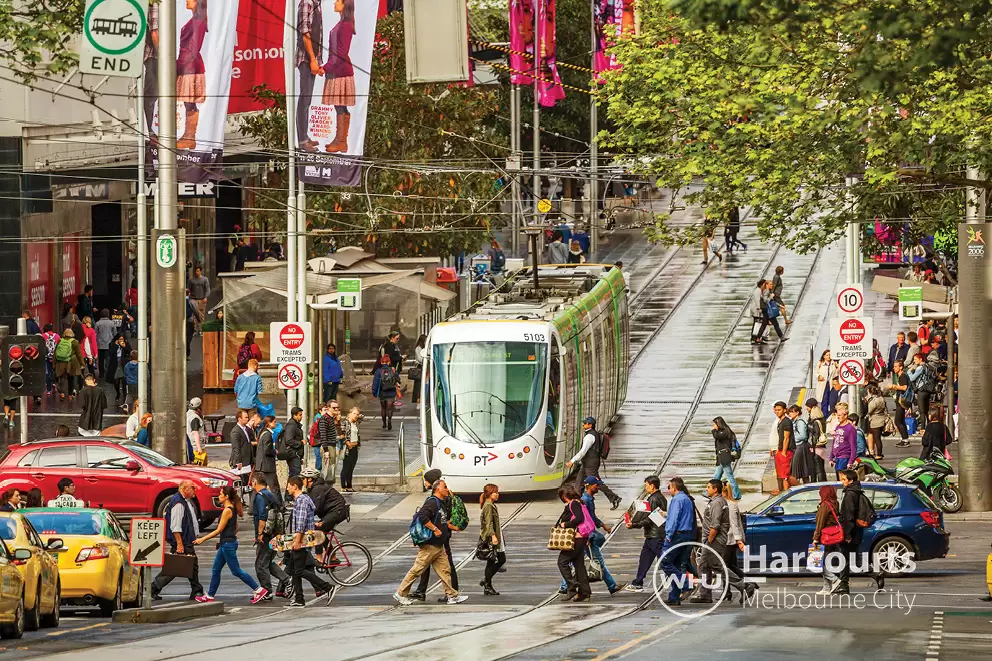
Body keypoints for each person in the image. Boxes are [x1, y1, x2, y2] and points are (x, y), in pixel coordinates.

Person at [394, 479, 467, 606]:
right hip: (430, 545)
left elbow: (442, 520)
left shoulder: (441, 502)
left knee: (445, 571)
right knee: (417, 569)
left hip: (439, 545)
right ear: (438, 489)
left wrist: (451, 527)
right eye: (444, 487)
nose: (446, 489)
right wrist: (435, 529)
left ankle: (451, 595)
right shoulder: (432, 502)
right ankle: (400, 593)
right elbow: (423, 516)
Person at [194, 485, 268, 604]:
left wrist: (202, 539)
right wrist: (225, 540)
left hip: (228, 545)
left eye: (220, 494)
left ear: (226, 496)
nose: (219, 496)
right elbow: (235, 528)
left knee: (236, 571)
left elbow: (218, 530)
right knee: (216, 569)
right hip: (227, 543)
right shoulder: (232, 509)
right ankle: (210, 595)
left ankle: (259, 589)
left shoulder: (227, 510)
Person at [559, 477, 624, 596]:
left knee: (577, 562)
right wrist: (589, 536)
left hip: (586, 536)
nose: (598, 487)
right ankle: (612, 586)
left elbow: (591, 518)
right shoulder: (584, 500)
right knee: (597, 561)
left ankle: (565, 586)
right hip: (587, 537)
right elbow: (584, 521)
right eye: (596, 485)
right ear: (589, 486)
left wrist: (602, 525)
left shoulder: (587, 499)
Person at [286, 472, 337, 605]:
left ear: (295, 486)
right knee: (293, 570)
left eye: (289, 486)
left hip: (301, 541)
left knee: (299, 570)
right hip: (299, 540)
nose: (287, 489)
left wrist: (297, 542)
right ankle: (299, 598)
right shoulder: (301, 500)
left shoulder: (302, 501)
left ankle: (328, 587)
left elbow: (301, 523)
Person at [409, 470, 460, 602]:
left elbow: (428, 516)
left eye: (426, 480)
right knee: (430, 563)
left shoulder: (440, 498)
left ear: (433, 483)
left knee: (446, 564)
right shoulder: (440, 496)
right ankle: (422, 590)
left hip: (439, 535)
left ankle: (452, 590)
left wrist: (436, 529)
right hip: (441, 534)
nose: (424, 482)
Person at [151, 481, 204, 600]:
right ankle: (197, 590)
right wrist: (180, 544)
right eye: (192, 488)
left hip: (186, 540)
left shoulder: (184, 501)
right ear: (184, 488)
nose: (195, 490)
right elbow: (175, 526)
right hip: (183, 541)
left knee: (181, 566)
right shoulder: (178, 503)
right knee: (189, 565)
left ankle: (154, 588)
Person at [690, 479, 737, 603]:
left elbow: (715, 525)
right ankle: (705, 594)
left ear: (715, 489)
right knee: (704, 566)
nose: (707, 489)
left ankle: (744, 585)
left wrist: (709, 541)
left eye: (709, 487)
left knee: (717, 566)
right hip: (713, 539)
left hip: (714, 540)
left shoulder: (717, 503)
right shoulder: (717, 501)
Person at [837, 470, 884, 593]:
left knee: (846, 559)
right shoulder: (857, 491)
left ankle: (844, 585)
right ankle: (873, 574)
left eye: (844, 479)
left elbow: (849, 516)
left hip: (851, 532)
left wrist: (847, 534)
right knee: (852, 558)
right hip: (856, 531)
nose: (842, 482)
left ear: (850, 480)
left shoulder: (849, 494)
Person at [319, 0, 357, 153]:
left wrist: (326, 67)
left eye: (338, 1)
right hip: (336, 70)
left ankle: (341, 141)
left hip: (340, 71)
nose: (335, 3)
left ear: (345, 5)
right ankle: (339, 139)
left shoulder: (346, 25)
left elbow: (341, 52)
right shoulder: (342, 23)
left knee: (340, 106)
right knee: (338, 106)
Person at [624, 475, 669, 593]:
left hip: (655, 535)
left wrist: (634, 524)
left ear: (652, 486)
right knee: (645, 559)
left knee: (665, 561)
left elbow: (651, 518)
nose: (645, 487)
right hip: (653, 535)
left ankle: (683, 581)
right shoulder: (661, 498)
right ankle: (638, 582)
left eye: (647, 485)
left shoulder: (653, 499)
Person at [566, 417, 622, 510]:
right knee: (579, 483)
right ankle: (576, 503)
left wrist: (572, 461)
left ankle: (614, 498)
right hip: (587, 463)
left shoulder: (590, 436)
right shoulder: (592, 434)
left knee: (596, 483)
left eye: (585, 423)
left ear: (590, 425)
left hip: (590, 463)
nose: (583, 425)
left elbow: (583, 451)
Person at [249, 474, 289, 600]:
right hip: (274, 533)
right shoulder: (271, 494)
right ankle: (286, 579)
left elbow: (262, 516)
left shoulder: (260, 497)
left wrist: (260, 534)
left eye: (252, 482)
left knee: (260, 564)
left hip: (266, 536)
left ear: (255, 482)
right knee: (267, 562)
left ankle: (266, 591)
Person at [175, 0, 208, 151]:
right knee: (188, 102)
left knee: (189, 102)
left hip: (189, 65)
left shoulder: (198, 21)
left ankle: (190, 137)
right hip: (187, 64)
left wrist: (180, 64)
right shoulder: (197, 20)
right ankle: (188, 136)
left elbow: (193, 47)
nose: (186, 1)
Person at [658, 477, 695, 606]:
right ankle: (674, 596)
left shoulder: (677, 499)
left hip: (676, 535)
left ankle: (686, 585)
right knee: (677, 564)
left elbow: (674, 520)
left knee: (664, 562)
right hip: (687, 535)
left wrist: (669, 535)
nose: (669, 490)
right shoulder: (686, 498)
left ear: (674, 487)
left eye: (669, 487)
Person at [554, 484, 592, 602]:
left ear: (564, 495)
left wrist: (565, 524)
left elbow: (579, 518)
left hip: (575, 538)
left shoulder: (573, 504)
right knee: (579, 565)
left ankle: (572, 586)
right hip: (581, 538)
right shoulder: (579, 502)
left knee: (562, 562)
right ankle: (584, 592)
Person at [295, 0, 324, 150]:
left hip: (312, 58)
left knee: (307, 100)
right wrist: (312, 60)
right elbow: (305, 33)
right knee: (304, 99)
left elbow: (317, 34)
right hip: (306, 59)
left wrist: (318, 62)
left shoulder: (317, 3)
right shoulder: (307, 2)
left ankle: (305, 136)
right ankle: (302, 141)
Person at [812, 484, 843, 595]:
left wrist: (815, 539)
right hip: (832, 536)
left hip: (824, 537)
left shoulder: (825, 505)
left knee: (817, 562)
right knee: (824, 561)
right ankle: (826, 588)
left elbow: (820, 523)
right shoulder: (835, 503)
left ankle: (834, 579)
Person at [478, 483, 505, 596]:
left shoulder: (490, 504)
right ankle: (487, 583)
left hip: (495, 536)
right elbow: (489, 524)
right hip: (491, 538)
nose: (497, 494)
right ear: (489, 494)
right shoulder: (488, 506)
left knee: (496, 560)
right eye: (495, 492)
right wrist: (493, 536)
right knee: (496, 560)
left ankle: (487, 582)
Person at [711, 416, 741, 499]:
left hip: (725, 458)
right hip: (721, 458)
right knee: (716, 477)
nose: (713, 426)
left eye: (714, 424)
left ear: (718, 424)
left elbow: (717, 436)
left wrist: (713, 431)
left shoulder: (725, 432)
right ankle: (708, 492)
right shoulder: (724, 431)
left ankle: (736, 494)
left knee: (730, 477)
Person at [254, 416, 282, 504]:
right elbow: (267, 450)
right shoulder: (267, 434)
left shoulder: (262, 432)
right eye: (274, 422)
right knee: (274, 487)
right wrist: (274, 451)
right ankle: (279, 506)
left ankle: (253, 508)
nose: (276, 423)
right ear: (269, 423)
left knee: (260, 487)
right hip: (267, 466)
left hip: (261, 465)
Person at [787, 404, 817, 484]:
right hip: (798, 447)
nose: (790, 414)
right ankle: (805, 487)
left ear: (797, 413)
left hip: (801, 447)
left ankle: (802, 488)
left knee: (799, 470)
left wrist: (792, 439)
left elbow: (803, 436)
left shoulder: (800, 422)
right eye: (789, 412)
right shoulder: (794, 422)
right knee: (803, 471)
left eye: (791, 412)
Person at [887, 359, 912, 446]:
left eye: (896, 366)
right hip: (900, 401)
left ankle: (905, 440)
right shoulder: (900, 375)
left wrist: (894, 386)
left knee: (898, 421)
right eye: (894, 366)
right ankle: (905, 439)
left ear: (901, 367)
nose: (894, 368)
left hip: (902, 401)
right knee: (901, 420)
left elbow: (904, 387)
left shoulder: (903, 376)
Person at [829, 402, 858, 476]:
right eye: (837, 415)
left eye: (839, 415)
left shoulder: (850, 429)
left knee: (842, 478)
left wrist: (850, 461)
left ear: (845, 415)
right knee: (838, 479)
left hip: (844, 458)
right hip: (837, 458)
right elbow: (834, 443)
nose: (837, 417)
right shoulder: (838, 426)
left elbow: (853, 446)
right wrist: (831, 458)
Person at [770, 401, 794, 493]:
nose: (777, 412)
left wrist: (783, 452)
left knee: (785, 476)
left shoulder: (786, 422)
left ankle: (787, 493)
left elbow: (786, 438)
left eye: (779, 410)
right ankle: (784, 492)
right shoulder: (780, 421)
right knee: (781, 474)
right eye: (775, 410)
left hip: (786, 451)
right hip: (779, 450)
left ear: (784, 410)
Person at [372, 354, 400, 430]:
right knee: (389, 408)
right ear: (389, 362)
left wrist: (374, 392)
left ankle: (384, 424)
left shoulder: (378, 371)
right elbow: (398, 380)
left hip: (382, 392)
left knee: (383, 408)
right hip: (391, 391)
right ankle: (389, 422)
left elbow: (375, 382)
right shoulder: (393, 370)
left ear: (381, 362)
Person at [54, 328, 84, 400]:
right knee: (71, 378)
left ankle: (62, 393)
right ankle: (70, 395)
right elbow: (79, 354)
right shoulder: (75, 342)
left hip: (61, 361)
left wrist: (54, 363)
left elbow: (55, 352)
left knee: (62, 378)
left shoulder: (60, 340)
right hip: (71, 362)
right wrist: (82, 363)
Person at [908, 352, 936, 424]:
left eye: (915, 359)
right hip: (928, 390)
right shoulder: (927, 366)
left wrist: (909, 371)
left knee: (922, 411)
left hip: (921, 390)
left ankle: (923, 427)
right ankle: (927, 426)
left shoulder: (920, 368)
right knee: (926, 410)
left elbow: (912, 378)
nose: (914, 361)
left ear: (920, 359)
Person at [804, 398, 828, 482]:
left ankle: (819, 485)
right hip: (821, 447)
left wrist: (812, 447)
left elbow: (815, 435)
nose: (806, 408)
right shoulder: (822, 419)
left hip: (816, 447)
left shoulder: (815, 421)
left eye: (807, 406)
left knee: (818, 469)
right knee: (820, 468)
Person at [317, 401, 341, 483]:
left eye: (338, 407)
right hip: (328, 446)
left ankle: (328, 486)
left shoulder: (331, 418)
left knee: (332, 469)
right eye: (334, 408)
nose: (336, 409)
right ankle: (325, 487)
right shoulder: (324, 419)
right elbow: (323, 436)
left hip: (332, 445)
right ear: (328, 408)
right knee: (327, 470)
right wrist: (326, 450)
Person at [339, 407, 362, 492]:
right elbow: (342, 433)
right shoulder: (345, 423)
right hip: (348, 446)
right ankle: (343, 485)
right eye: (354, 414)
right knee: (346, 466)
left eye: (357, 414)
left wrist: (356, 416)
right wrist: (347, 442)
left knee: (352, 466)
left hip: (355, 445)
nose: (356, 416)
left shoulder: (356, 423)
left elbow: (362, 417)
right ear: (350, 414)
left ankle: (349, 485)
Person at [282, 406, 306, 480]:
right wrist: (300, 442)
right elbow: (289, 440)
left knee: (294, 476)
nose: (301, 417)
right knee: (294, 476)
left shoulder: (295, 425)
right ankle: (290, 491)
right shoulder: (291, 426)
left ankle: (289, 491)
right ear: (294, 415)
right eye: (300, 415)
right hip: (293, 455)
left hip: (296, 455)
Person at [107, 334, 132, 404]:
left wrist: (124, 347)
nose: (121, 341)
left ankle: (124, 396)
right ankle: (118, 393)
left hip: (123, 364)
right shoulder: (112, 344)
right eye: (120, 339)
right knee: (116, 381)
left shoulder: (126, 344)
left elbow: (130, 352)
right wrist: (116, 346)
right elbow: (111, 353)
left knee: (124, 381)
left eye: (122, 339)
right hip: (115, 364)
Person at [864, 383, 888, 459]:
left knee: (877, 438)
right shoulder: (881, 399)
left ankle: (879, 454)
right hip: (882, 419)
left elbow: (870, 411)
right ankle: (879, 453)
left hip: (875, 420)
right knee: (878, 438)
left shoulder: (873, 401)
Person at [188, 266, 210, 334]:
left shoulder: (204, 279)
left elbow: (207, 289)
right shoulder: (191, 280)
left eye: (198, 271)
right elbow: (189, 289)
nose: (196, 272)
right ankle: (193, 329)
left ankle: (200, 329)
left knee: (201, 315)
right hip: (193, 299)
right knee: (193, 315)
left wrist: (205, 297)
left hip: (201, 299)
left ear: (200, 271)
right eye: (195, 271)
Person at [42, 324, 60, 394]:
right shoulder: (57, 336)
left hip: (46, 357)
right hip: (55, 357)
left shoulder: (43, 336)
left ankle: (49, 389)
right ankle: (55, 384)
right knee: (55, 371)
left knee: (47, 372)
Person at [411, 334, 427, 406]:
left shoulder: (425, 348)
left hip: (424, 367)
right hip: (420, 368)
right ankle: (418, 401)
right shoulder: (418, 349)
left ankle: (423, 400)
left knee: (424, 384)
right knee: (418, 385)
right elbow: (420, 359)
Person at [749, 279, 766, 343]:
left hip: (757, 309)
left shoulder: (760, 290)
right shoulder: (758, 291)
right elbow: (757, 300)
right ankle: (754, 337)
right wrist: (759, 308)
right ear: (762, 284)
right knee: (756, 323)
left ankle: (756, 337)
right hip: (756, 309)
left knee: (758, 323)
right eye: (765, 284)